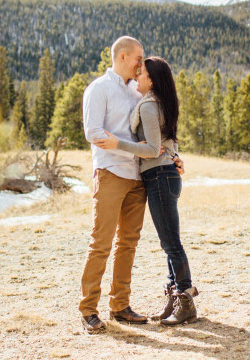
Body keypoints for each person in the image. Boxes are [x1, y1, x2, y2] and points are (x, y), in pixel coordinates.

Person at [93, 56, 198, 326]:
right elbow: (165, 141)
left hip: (160, 177)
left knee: (171, 243)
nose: (137, 75)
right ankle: (175, 298)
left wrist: (118, 143)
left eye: (142, 73)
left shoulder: (149, 106)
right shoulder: (159, 103)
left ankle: (185, 301)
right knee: (168, 242)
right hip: (163, 175)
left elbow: (152, 149)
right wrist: (175, 158)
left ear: (151, 80)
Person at [79, 36, 149, 333]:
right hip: (110, 173)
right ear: (123, 57)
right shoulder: (99, 89)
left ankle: (120, 305)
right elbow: (93, 132)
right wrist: (126, 148)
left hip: (138, 177)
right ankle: (88, 309)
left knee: (128, 244)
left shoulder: (137, 91)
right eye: (138, 58)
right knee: (101, 243)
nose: (141, 64)